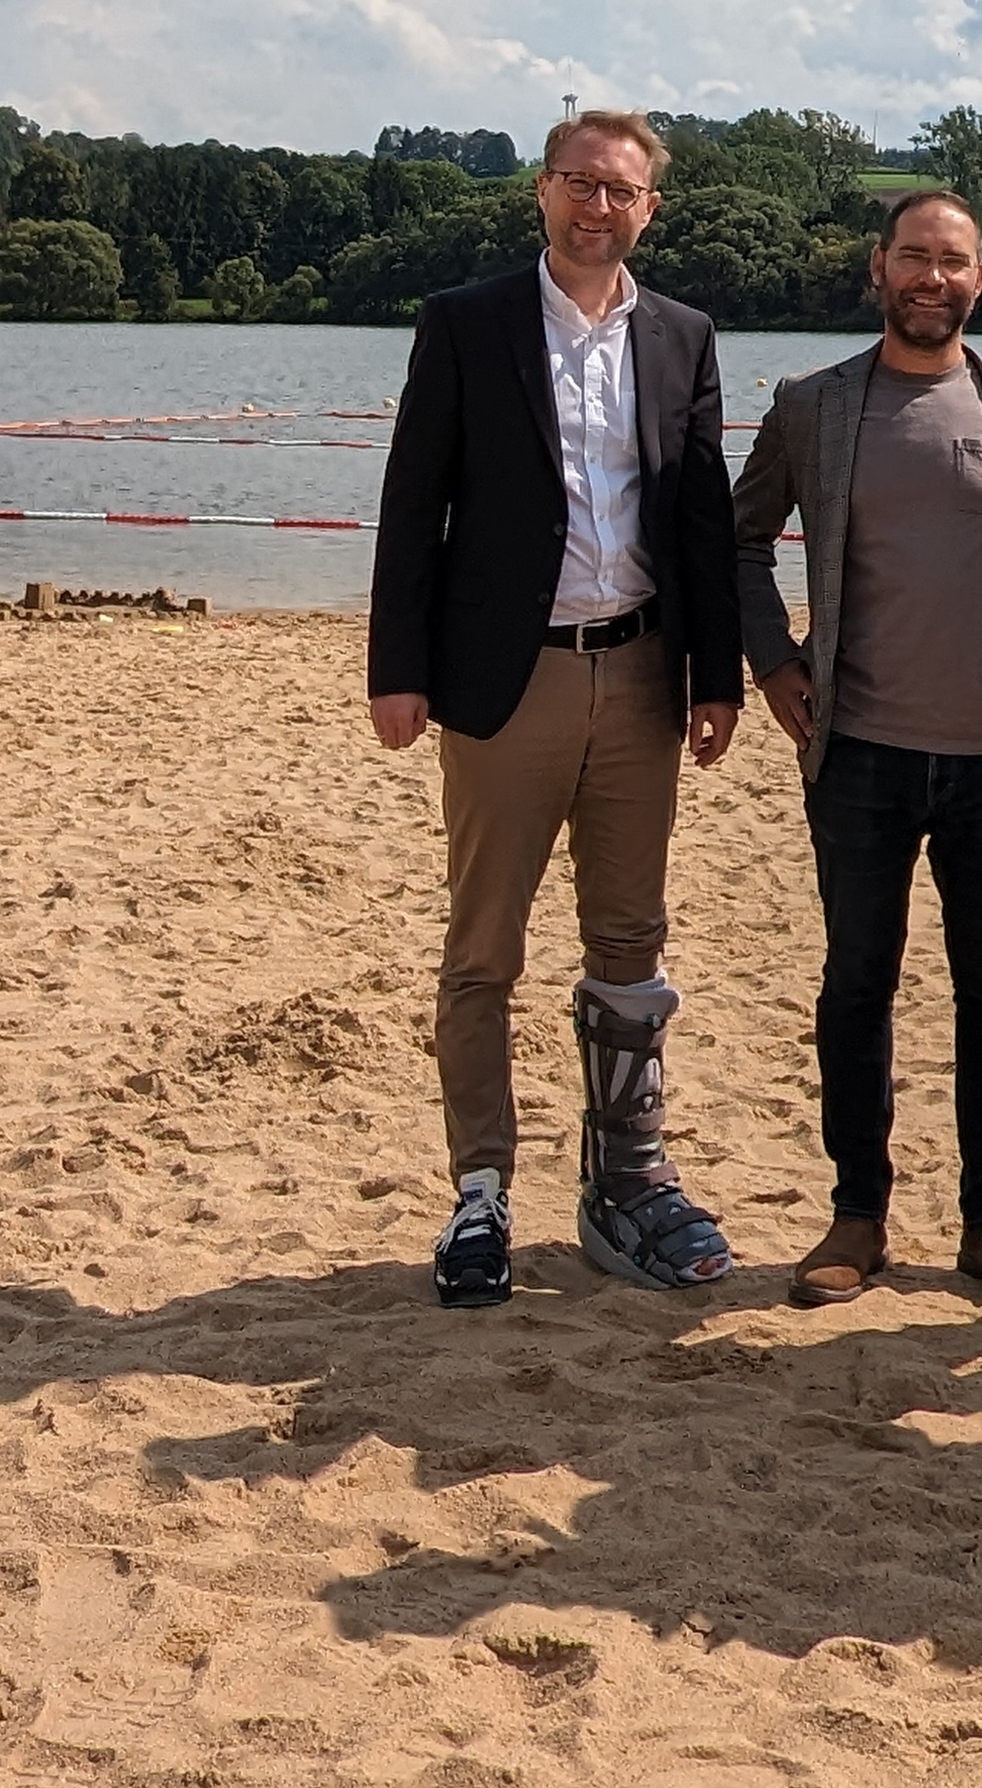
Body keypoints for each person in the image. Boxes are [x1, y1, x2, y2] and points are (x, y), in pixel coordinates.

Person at [368, 111, 745, 1306]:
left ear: (648, 209)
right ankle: (479, 1193)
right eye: (579, 183)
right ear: (543, 192)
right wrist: (398, 667)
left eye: (621, 191)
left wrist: (718, 675)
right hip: (503, 680)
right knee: (483, 952)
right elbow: (412, 500)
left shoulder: (682, 336)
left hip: (639, 677)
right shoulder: (467, 324)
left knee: (631, 946)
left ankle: (625, 1183)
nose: (598, 206)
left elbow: (702, 517)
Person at [732, 189, 982, 1315]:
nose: (931, 279)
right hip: (855, 752)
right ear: (879, 268)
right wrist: (773, 664)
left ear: (979, 279)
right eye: (914, 258)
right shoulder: (813, 408)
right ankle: (858, 1213)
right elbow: (739, 537)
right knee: (857, 982)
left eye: (952, 262)